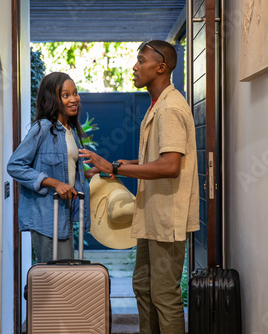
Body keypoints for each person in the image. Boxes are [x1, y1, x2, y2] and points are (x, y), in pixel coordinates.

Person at [79, 40, 199, 333]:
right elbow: (164, 158)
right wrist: (128, 163)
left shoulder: (170, 108)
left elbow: (170, 166)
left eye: (141, 60)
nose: (134, 66)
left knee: (164, 294)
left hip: (167, 217)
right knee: (143, 287)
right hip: (152, 215)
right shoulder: (157, 105)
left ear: (160, 67)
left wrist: (116, 168)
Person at [8, 72, 98, 263]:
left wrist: (89, 173)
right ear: (52, 99)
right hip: (46, 217)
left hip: (63, 215)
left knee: (64, 279)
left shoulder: (70, 131)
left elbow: (65, 171)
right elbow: (15, 165)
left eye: (75, 93)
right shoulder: (42, 128)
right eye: (66, 95)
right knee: (54, 280)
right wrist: (55, 183)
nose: (74, 99)